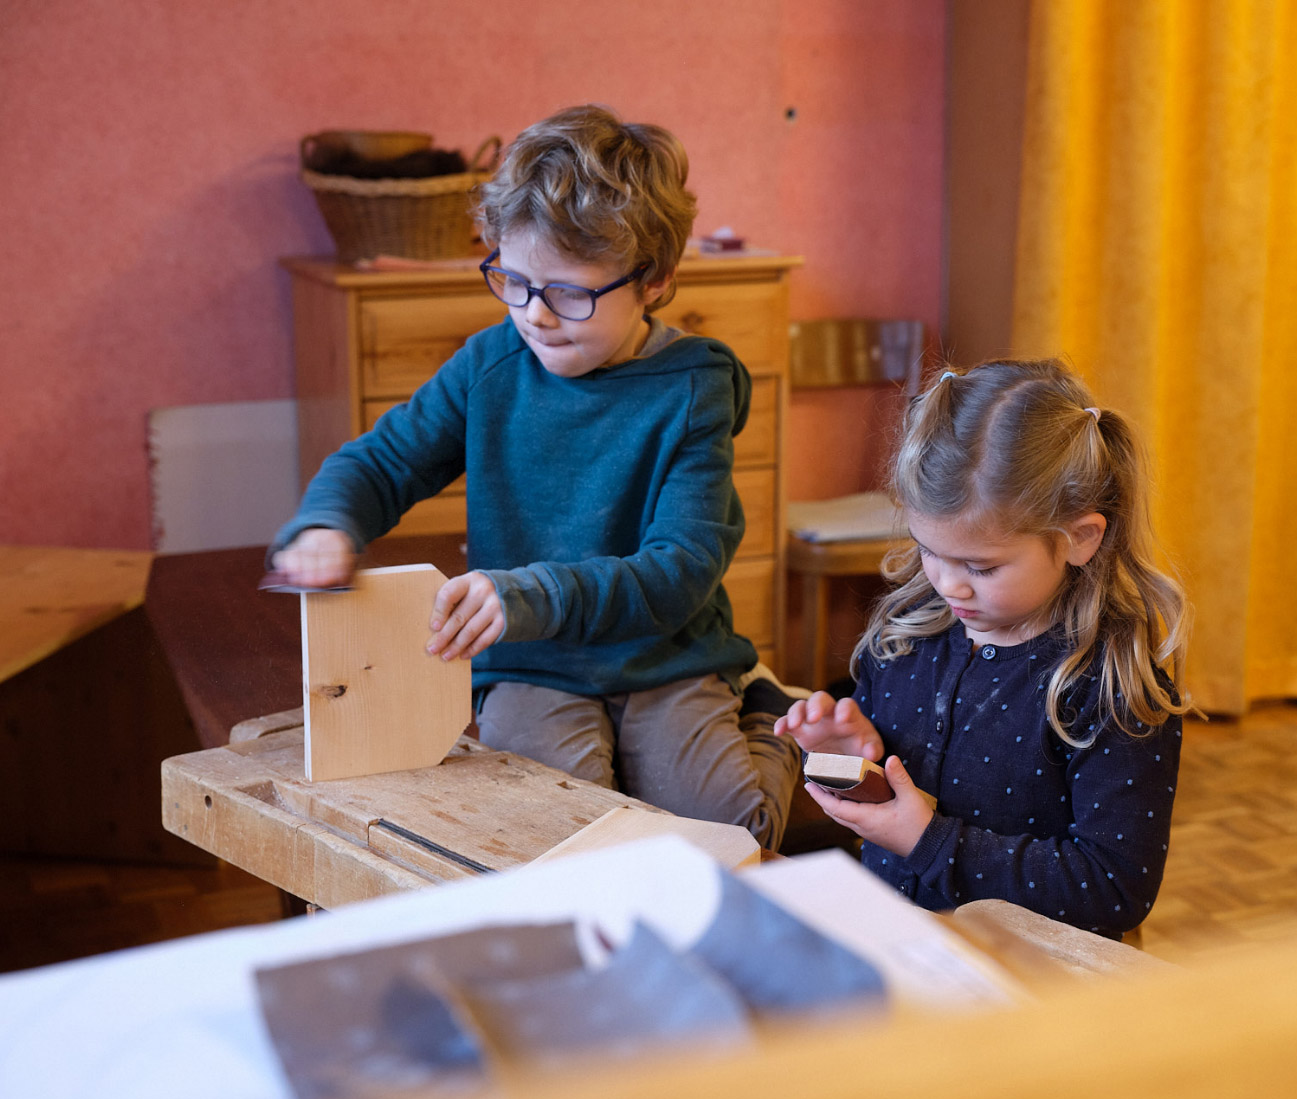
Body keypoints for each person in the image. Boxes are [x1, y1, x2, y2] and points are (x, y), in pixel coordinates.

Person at [269, 105, 797, 848]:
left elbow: (680, 572)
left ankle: (770, 716)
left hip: (667, 653)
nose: (535, 315)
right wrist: (329, 522)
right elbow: (381, 461)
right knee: (562, 836)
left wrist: (528, 593)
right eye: (512, 280)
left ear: (655, 280)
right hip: (531, 658)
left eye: (570, 293)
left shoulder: (694, 389)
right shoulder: (490, 367)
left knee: (731, 838)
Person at [774, 359, 1194, 935]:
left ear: (1079, 538)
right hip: (898, 943)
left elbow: (1115, 886)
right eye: (929, 550)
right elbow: (887, 803)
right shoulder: (906, 634)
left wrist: (931, 841)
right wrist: (854, 756)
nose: (948, 586)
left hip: (1033, 979)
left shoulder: (1113, 688)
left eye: (981, 566)